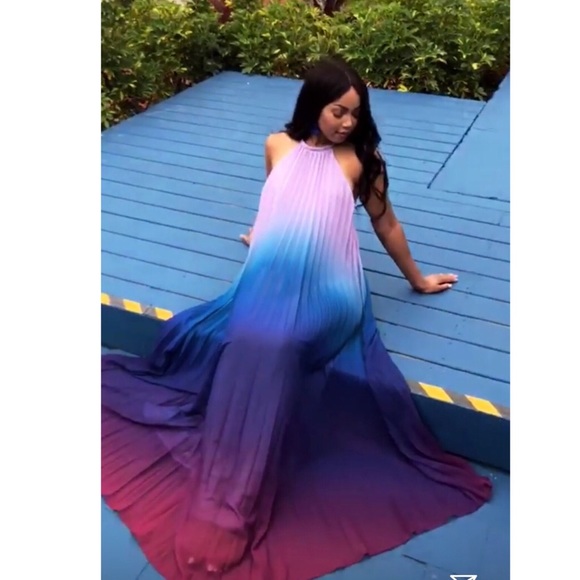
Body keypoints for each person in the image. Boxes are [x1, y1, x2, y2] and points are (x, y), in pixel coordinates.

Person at [102, 56, 492, 579]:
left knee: (279, 342)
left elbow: (386, 224)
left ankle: (235, 496)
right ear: (314, 106)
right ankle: (232, 476)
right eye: (337, 111)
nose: (346, 123)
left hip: (332, 289)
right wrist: (261, 232)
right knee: (244, 333)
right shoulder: (276, 145)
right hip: (271, 274)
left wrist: (417, 279)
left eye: (355, 113)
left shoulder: (362, 161)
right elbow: (276, 197)